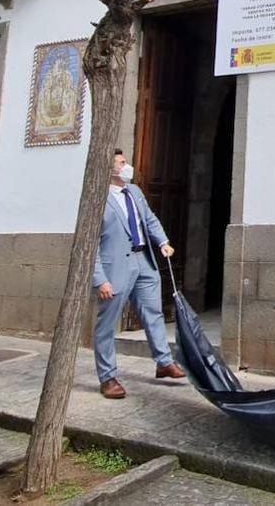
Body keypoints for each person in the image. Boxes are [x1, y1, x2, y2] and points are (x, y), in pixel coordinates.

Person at [93, 150, 186, 399]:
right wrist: (100, 279)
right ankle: (108, 377)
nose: (128, 166)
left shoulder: (134, 191)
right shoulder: (97, 199)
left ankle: (164, 362)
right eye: (122, 163)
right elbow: (88, 244)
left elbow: (149, 219)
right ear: (108, 168)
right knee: (107, 324)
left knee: (153, 313)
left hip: (144, 260)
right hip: (115, 268)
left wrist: (162, 241)